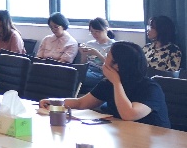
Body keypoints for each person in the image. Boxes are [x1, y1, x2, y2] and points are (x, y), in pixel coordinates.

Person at [41, 41, 170, 128]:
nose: (104, 59)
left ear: (117, 65)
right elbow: (81, 103)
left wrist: (116, 82)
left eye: (108, 56)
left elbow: (129, 114)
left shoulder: (150, 88)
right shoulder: (108, 83)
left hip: (156, 142)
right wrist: (54, 102)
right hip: (125, 134)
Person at [77, 17, 116, 92]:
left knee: (76, 76)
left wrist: (96, 53)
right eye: (92, 32)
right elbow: (83, 64)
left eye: (97, 31)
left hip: (101, 72)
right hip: (88, 69)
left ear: (106, 29)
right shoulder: (89, 44)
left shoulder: (113, 45)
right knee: (70, 72)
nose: (94, 34)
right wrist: (83, 54)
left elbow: (110, 66)